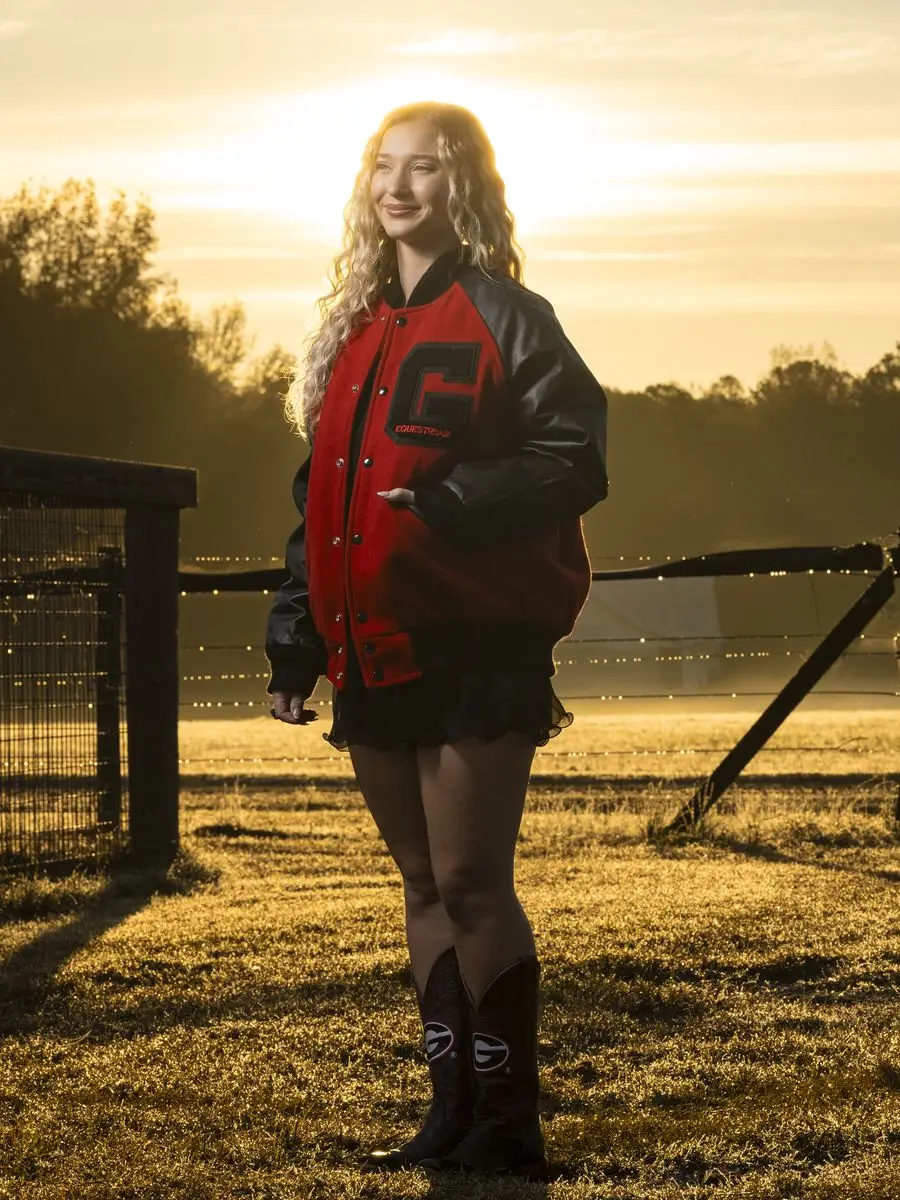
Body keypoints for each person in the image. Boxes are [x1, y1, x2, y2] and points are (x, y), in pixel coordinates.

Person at [264, 100, 609, 1180]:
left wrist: (457, 501)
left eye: (425, 169)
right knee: (419, 888)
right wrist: (295, 639)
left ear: (462, 187)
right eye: (384, 166)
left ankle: (511, 1119)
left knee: (469, 883)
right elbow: (315, 505)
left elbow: (573, 452)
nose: (398, 187)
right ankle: (451, 1110)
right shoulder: (353, 332)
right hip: (371, 646)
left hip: (475, 646)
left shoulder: (510, 316)